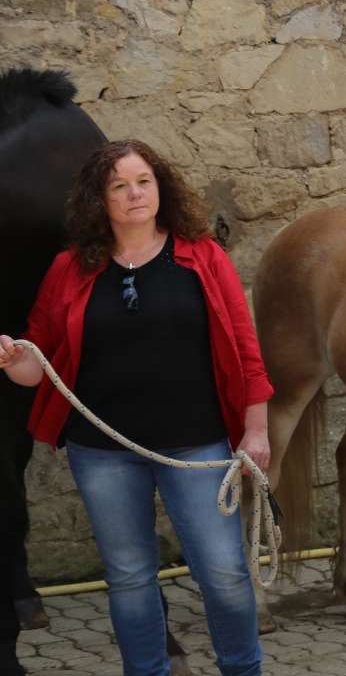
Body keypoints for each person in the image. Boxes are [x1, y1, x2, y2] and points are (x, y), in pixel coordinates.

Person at [0, 139, 271, 675]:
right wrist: (12, 358)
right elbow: (38, 360)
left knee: (223, 572)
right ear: (99, 200)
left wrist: (254, 431)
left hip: (198, 445)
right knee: (128, 576)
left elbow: (245, 350)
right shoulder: (70, 269)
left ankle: (243, 670)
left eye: (143, 181)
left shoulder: (202, 257)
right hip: (103, 453)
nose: (133, 194)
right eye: (118, 186)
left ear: (160, 187)